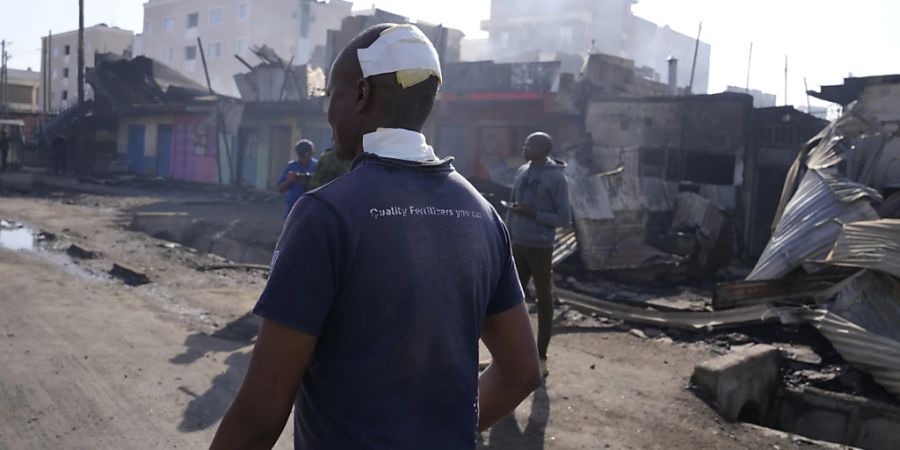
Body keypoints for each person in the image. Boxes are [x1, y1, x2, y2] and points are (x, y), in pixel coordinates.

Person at [212, 23, 541, 449]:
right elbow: (521, 373)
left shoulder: (326, 215)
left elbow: (260, 414)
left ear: (362, 93)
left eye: (332, 94)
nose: (328, 111)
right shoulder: (483, 214)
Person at [507, 132, 572, 377]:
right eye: (524, 142)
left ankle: (541, 354)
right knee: (511, 300)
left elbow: (564, 219)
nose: (525, 147)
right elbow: (513, 206)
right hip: (518, 244)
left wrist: (533, 213)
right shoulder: (522, 170)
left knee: (544, 299)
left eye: (530, 144)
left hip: (541, 246)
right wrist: (506, 234)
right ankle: (509, 353)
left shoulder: (558, 179)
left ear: (544, 149)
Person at [277, 140, 318, 218]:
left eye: (305, 156)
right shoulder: (292, 166)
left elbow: (320, 190)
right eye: (301, 156)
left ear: (310, 154)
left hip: (311, 210)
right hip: (292, 209)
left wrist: (305, 182)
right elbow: (280, 190)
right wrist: (289, 181)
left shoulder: (317, 167)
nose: (303, 159)